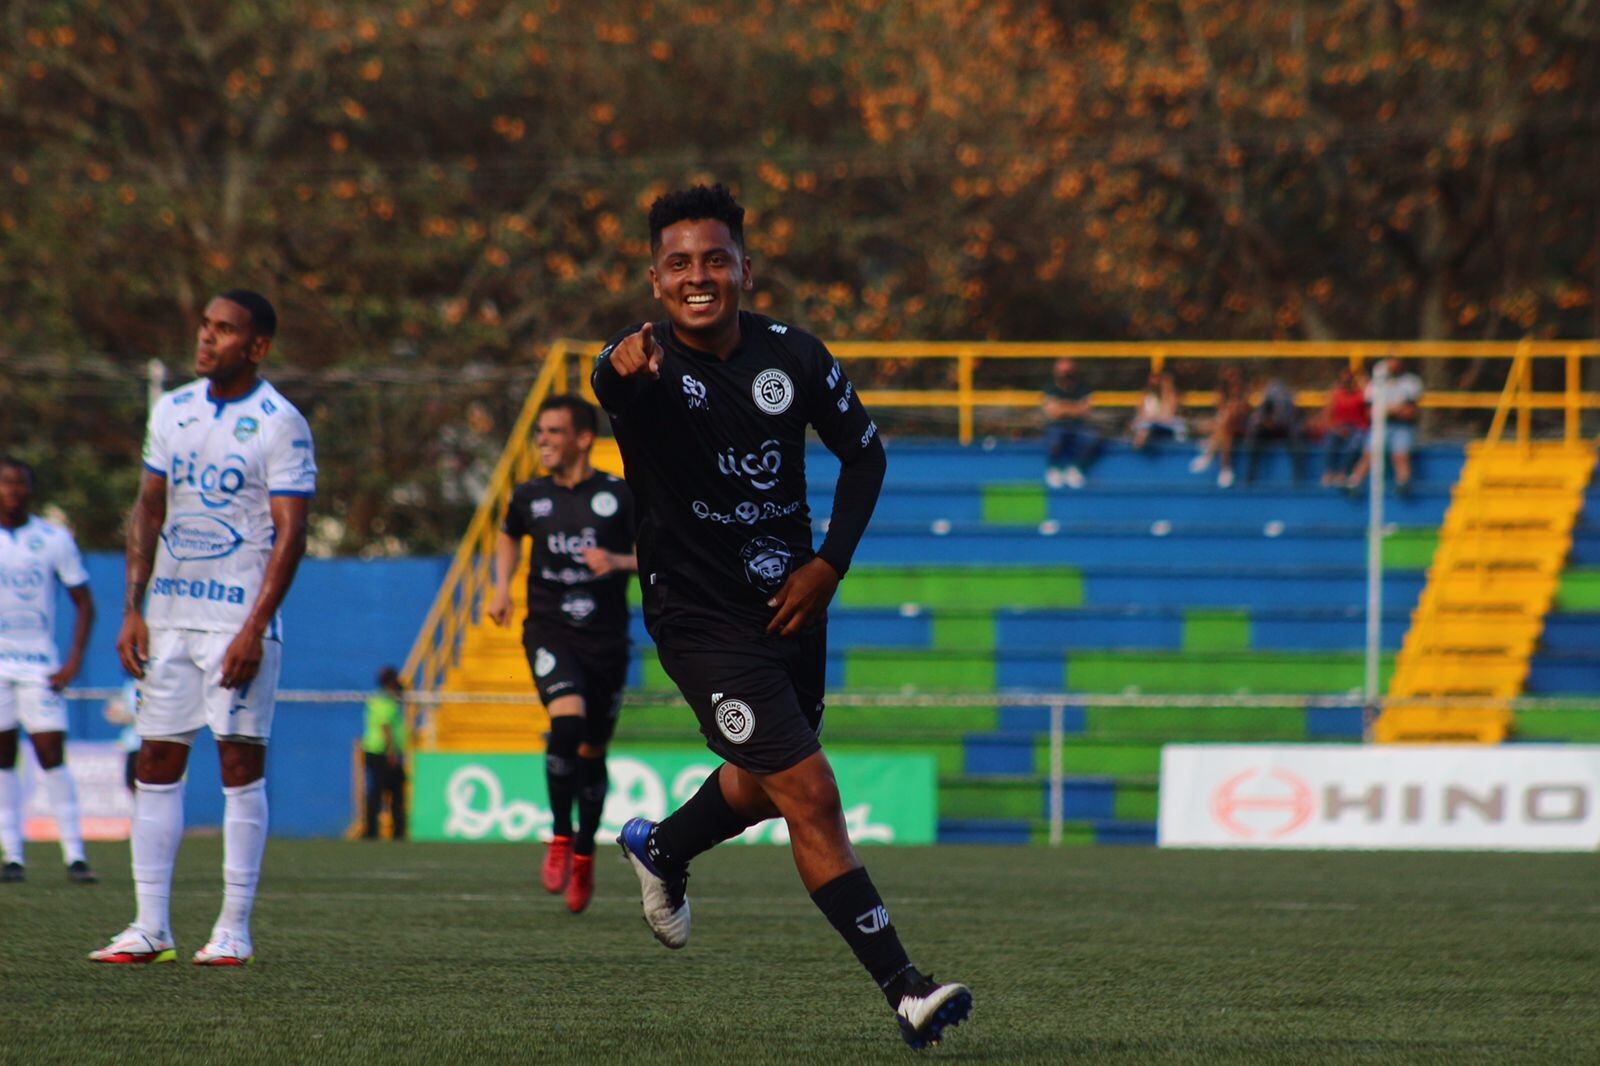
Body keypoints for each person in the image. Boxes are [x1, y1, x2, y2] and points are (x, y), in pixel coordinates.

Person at [591, 183, 971, 1050]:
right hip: (698, 616)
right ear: (656, 280)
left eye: (715, 260)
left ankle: (663, 847)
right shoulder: (643, 366)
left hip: (792, 605)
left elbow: (865, 457)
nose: (698, 277)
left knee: (766, 780)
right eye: (679, 264)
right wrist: (616, 368)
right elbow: (608, 378)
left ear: (744, 269)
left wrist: (828, 564)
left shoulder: (794, 357)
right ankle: (907, 991)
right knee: (810, 790)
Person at [91, 289, 315, 967]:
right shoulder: (173, 409)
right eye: (205, 326)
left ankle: (232, 929)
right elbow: (147, 509)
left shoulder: (280, 422)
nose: (207, 337)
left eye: (224, 329)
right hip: (168, 619)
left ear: (258, 347)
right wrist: (133, 608)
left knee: (239, 766)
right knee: (155, 763)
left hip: (235, 623)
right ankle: (149, 927)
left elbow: (292, 532)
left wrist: (254, 628)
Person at [488, 394, 636, 914]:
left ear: (582, 439)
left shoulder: (619, 494)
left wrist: (617, 560)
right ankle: (558, 835)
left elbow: (660, 552)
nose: (543, 441)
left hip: (606, 639)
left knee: (593, 751)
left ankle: (585, 851)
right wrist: (501, 588)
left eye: (553, 432)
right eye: (540, 432)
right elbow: (508, 536)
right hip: (549, 629)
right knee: (566, 724)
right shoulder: (530, 496)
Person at [0, 457, 98, 884]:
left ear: (31, 489)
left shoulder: (53, 539)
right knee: (3, 759)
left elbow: (85, 604)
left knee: (51, 754)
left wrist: (72, 661)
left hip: (40, 664)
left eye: (20, 483)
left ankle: (75, 855)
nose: (13, 490)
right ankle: (12, 856)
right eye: (6, 483)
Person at [1345, 357, 1424, 494]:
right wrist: (1395, 409)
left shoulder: (1410, 383)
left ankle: (1403, 483)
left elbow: (1409, 412)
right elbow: (1370, 413)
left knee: (1400, 454)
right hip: (1379, 426)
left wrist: (1384, 410)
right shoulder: (1374, 385)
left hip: (1402, 427)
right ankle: (1354, 482)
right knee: (1370, 453)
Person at [362, 666, 407, 841]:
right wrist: (391, 753)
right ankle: (379, 831)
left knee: (381, 791)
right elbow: (386, 727)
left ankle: (377, 831)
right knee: (388, 793)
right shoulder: (385, 702)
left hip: (378, 751)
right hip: (382, 753)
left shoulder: (378, 700)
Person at [1041, 357, 1101, 489]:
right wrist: (1074, 407)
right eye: (1062, 372)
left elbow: (1085, 410)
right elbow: (1052, 412)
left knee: (1092, 437)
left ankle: (1076, 469)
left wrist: (1062, 407)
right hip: (1057, 425)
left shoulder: (1083, 388)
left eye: (1068, 372)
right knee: (1054, 436)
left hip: (1078, 426)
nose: (1066, 375)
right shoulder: (1050, 388)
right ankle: (1054, 469)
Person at [1188, 365, 1251, 488]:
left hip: (1241, 427)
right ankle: (1225, 469)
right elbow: (1220, 413)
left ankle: (1209, 454)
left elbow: (1241, 415)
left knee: (1224, 424)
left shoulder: (1244, 394)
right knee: (1224, 431)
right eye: (1228, 378)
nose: (1231, 381)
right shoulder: (1222, 394)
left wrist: (1230, 411)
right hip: (1226, 429)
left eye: (1233, 377)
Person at [1239, 377, 1305, 484]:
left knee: (1296, 440)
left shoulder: (1287, 403)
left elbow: (1293, 421)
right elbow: (1258, 421)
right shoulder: (1266, 403)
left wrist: (1280, 423)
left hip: (1284, 429)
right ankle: (1249, 477)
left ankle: (1298, 478)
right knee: (1254, 439)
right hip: (1268, 431)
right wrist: (1268, 423)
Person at [1320, 367, 1369, 487]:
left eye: (1350, 380)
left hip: (1358, 428)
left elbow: (1368, 415)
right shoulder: (1336, 394)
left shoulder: (1362, 394)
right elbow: (1327, 415)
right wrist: (1336, 429)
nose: (1347, 383)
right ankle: (1329, 472)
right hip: (1339, 427)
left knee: (1355, 443)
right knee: (1330, 441)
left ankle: (1343, 472)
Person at [1128, 370, 1188, 450]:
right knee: (1141, 426)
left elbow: (1168, 415)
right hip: (1153, 420)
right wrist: (1149, 418)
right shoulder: (1149, 395)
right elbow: (1141, 411)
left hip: (1164, 421)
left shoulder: (1172, 396)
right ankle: (1137, 445)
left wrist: (1155, 418)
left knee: (1180, 427)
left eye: (1166, 383)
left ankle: (1180, 448)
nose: (1164, 386)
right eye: (1163, 383)